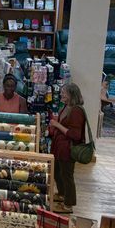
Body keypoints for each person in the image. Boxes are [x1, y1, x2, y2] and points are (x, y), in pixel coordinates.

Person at [49, 82, 86, 214]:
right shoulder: (66, 107)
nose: (61, 94)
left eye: (64, 92)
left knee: (67, 176)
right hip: (60, 147)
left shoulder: (76, 111)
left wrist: (57, 125)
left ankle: (69, 204)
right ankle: (62, 194)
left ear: (71, 94)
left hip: (68, 149)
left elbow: (75, 135)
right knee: (57, 172)